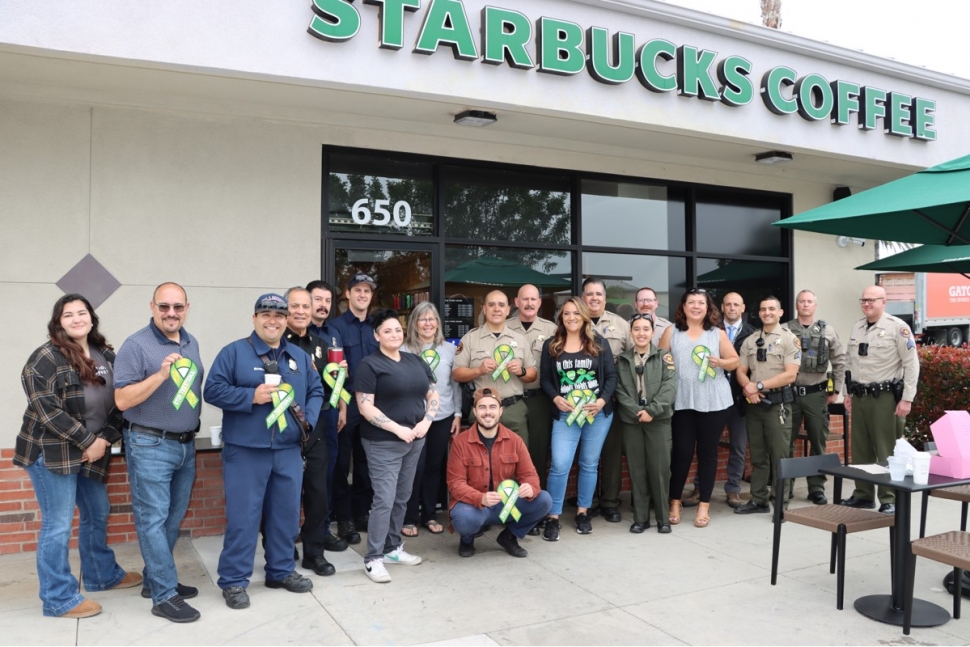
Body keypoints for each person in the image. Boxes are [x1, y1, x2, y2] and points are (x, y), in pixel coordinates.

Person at [15, 294, 142, 619]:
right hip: (52, 451)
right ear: (58, 322)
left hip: (93, 451)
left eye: (81, 312)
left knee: (98, 511)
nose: (76, 318)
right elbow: (47, 410)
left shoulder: (107, 355)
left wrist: (103, 440)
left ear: (91, 318)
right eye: (68, 314)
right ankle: (58, 598)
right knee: (58, 525)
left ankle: (102, 575)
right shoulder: (43, 358)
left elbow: (121, 404)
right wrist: (88, 441)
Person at [204, 293, 323, 609]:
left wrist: (307, 421)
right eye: (266, 314)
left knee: (285, 517)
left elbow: (316, 390)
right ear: (254, 318)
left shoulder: (296, 356)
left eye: (279, 315)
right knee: (243, 519)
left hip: (287, 450)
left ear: (287, 321)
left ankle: (281, 571)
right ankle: (233, 581)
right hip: (246, 451)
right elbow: (212, 390)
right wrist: (250, 397)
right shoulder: (234, 353)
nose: (273, 320)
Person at [114, 282, 203, 623]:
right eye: (164, 307)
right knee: (152, 520)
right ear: (152, 307)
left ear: (186, 308)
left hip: (185, 444)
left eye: (177, 307)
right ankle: (165, 595)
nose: (171, 313)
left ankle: (155, 581)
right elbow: (122, 400)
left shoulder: (191, 342)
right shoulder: (136, 345)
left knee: (171, 519)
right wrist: (161, 374)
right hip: (149, 443)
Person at [354, 309, 438, 584]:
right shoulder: (370, 365)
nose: (394, 334)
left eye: (398, 330)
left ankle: (392, 548)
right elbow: (365, 406)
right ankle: (374, 558)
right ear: (376, 335)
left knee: (402, 496)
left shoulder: (415, 361)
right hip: (383, 443)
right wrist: (396, 428)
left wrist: (427, 420)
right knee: (384, 499)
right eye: (387, 330)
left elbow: (432, 392)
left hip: (415, 439)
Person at [658, 288, 738, 528]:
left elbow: (735, 361)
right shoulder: (671, 332)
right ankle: (675, 501)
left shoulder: (717, 334)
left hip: (713, 400)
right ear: (683, 307)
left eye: (700, 303)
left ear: (708, 307)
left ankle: (704, 505)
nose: (695, 306)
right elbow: (661, 364)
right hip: (682, 400)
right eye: (690, 302)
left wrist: (720, 362)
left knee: (708, 453)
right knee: (681, 452)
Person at [539, 297, 617, 540]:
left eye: (575, 313)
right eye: (566, 313)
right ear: (561, 317)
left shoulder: (599, 343)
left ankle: (583, 512)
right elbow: (545, 379)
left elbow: (612, 377)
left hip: (596, 414)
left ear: (584, 316)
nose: (571, 317)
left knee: (589, 464)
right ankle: (553, 516)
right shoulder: (552, 345)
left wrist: (602, 401)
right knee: (560, 464)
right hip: (566, 413)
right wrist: (555, 398)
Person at [842, 285, 920, 514]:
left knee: (887, 449)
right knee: (861, 449)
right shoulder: (857, 327)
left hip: (886, 398)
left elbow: (911, 364)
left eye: (872, 300)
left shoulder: (898, 328)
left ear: (883, 302)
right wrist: (847, 392)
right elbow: (850, 362)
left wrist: (907, 398)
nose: (866, 304)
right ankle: (863, 494)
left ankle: (889, 497)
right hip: (860, 396)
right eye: (863, 299)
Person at [447, 388, 553, 557]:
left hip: (505, 505)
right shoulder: (460, 442)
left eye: (492, 407)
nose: (487, 412)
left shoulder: (514, 440)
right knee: (463, 518)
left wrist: (531, 487)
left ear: (500, 411)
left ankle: (509, 536)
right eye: (482, 407)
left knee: (544, 500)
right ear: (474, 411)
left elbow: (530, 475)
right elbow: (455, 484)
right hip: (475, 507)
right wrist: (479, 498)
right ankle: (467, 538)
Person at [282, 287, 341, 576]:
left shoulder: (321, 344)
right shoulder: (275, 342)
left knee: (318, 493)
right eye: (296, 306)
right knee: (282, 494)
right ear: (285, 309)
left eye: (306, 306)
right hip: (283, 431)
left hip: (316, 428)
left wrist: (340, 377)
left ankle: (314, 553)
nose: (302, 312)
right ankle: (281, 547)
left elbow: (326, 388)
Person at [685, 291, 756, 509]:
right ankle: (699, 488)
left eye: (737, 304)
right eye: (728, 304)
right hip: (710, 395)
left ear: (743, 308)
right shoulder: (710, 329)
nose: (732, 308)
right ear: (722, 308)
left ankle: (733, 489)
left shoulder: (753, 333)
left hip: (738, 397)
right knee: (706, 445)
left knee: (737, 445)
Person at [733, 296, 800, 516]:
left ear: (780, 313)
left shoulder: (790, 339)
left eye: (772, 308)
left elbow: (790, 374)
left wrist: (758, 385)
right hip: (755, 404)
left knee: (779, 456)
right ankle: (758, 499)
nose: (766, 312)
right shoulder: (750, 340)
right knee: (759, 456)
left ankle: (781, 504)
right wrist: (749, 388)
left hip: (777, 404)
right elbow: (741, 371)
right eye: (762, 309)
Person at [401, 302, 462, 537]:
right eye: (422, 319)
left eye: (432, 319)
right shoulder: (404, 349)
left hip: (442, 416)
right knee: (414, 467)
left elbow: (454, 384)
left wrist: (457, 413)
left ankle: (429, 515)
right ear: (414, 323)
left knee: (434, 468)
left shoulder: (449, 349)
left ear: (438, 323)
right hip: (414, 418)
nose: (428, 323)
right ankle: (408, 517)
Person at [781, 289, 847, 505]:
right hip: (789, 394)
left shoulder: (828, 331)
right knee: (786, 442)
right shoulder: (784, 330)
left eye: (809, 301)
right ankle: (786, 487)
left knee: (818, 442)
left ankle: (816, 487)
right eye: (802, 301)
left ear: (815, 305)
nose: (806, 305)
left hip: (816, 394)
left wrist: (836, 390)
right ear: (796, 305)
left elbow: (839, 361)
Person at [615, 314, 678, 534]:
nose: (641, 333)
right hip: (632, 422)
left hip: (658, 421)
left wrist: (651, 411)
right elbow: (619, 391)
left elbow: (669, 388)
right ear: (631, 332)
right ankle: (641, 518)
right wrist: (636, 411)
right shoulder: (622, 359)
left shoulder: (664, 357)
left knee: (660, 471)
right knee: (637, 470)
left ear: (652, 332)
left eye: (645, 329)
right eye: (637, 329)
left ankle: (663, 518)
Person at [329, 273, 380, 544]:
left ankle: (362, 513)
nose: (362, 295)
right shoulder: (335, 327)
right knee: (341, 464)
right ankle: (345, 518)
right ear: (348, 294)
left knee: (366, 463)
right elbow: (335, 371)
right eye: (357, 290)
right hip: (347, 404)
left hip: (373, 406)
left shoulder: (377, 326)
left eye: (367, 291)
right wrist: (340, 404)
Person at [452, 290, 537, 445]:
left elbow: (533, 374)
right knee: (481, 461)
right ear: (484, 309)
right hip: (483, 411)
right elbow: (456, 374)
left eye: (501, 305)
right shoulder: (470, 338)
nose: (496, 309)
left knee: (517, 462)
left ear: (508, 310)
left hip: (513, 410)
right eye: (491, 305)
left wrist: (521, 371)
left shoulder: (520, 339)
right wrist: (478, 370)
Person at [580, 277, 631, 523]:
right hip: (578, 402)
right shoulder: (573, 324)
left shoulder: (622, 326)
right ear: (582, 298)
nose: (594, 298)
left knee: (611, 454)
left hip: (610, 400)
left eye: (598, 294)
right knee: (584, 454)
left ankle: (609, 501)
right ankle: (585, 503)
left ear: (605, 297)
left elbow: (634, 360)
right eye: (589, 294)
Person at [304, 279, 349, 551]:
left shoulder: (334, 332)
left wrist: (342, 405)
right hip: (302, 413)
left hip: (330, 411)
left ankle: (322, 529)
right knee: (302, 476)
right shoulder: (295, 332)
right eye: (317, 300)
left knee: (327, 472)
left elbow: (340, 373)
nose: (323, 305)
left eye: (327, 301)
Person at [506, 284, 557, 491]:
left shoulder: (551, 330)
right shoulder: (504, 328)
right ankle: (508, 503)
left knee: (538, 453)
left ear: (539, 303)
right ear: (516, 302)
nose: (529, 303)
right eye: (524, 299)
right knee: (509, 454)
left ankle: (537, 501)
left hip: (539, 400)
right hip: (511, 400)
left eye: (533, 299)